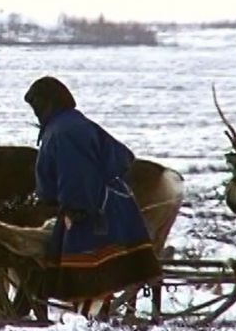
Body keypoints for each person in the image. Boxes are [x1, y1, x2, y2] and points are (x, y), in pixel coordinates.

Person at [24, 76, 161, 317]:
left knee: (88, 268)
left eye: (37, 105)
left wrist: (74, 210)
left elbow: (75, 173)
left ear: (47, 103)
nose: (35, 112)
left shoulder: (64, 131)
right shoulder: (69, 123)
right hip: (106, 201)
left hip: (95, 208)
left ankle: (92, 317)